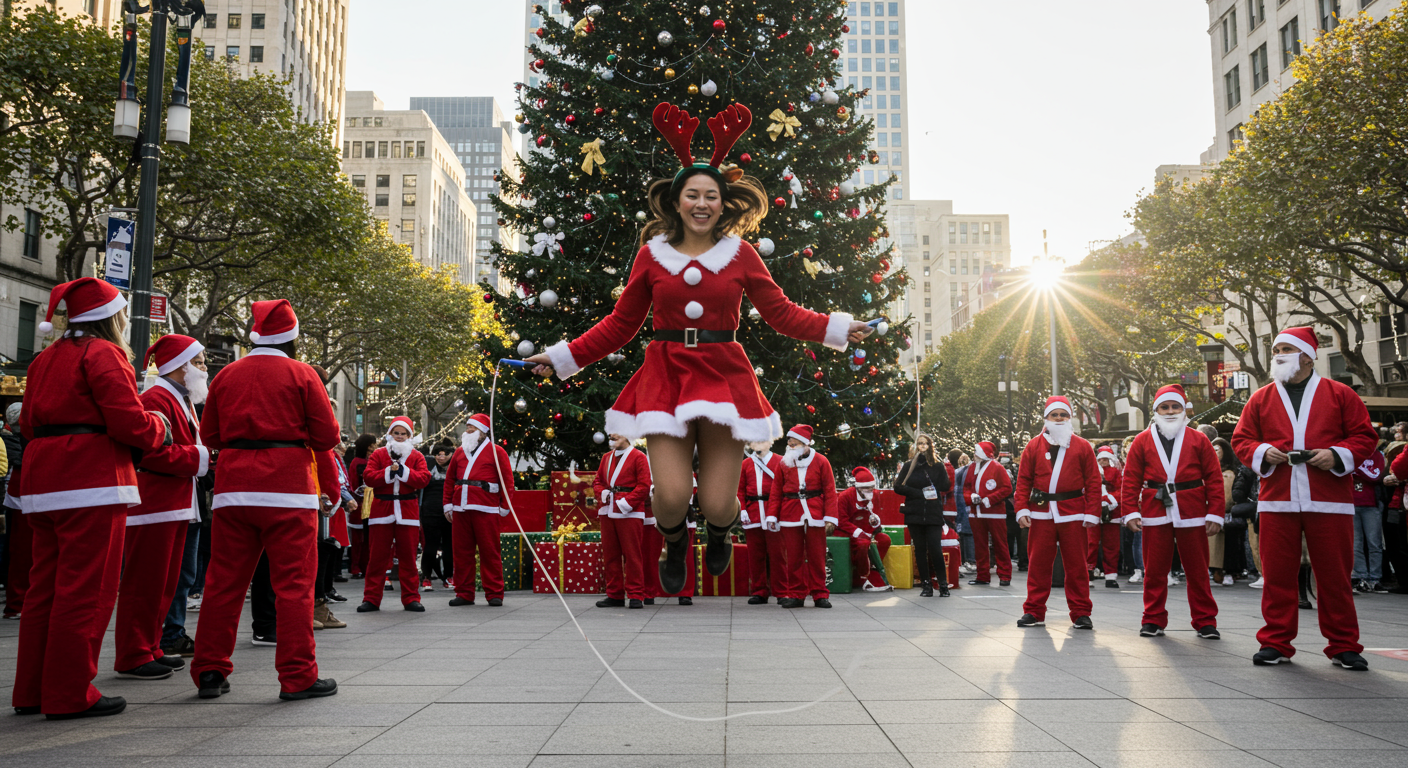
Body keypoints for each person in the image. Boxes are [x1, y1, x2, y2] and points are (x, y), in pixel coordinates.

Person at [523, 102, 872, 594]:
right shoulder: (651, 256)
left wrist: (837, 327)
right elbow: (621, 325)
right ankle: (673, 538)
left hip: (723, 376)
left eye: (711, 195)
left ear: (723, 202)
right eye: (693, 195)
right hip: (664, 375)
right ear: (677, 200)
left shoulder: (742, 254)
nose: (702, 203)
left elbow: (782, 312)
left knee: (715, 502)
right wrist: (559, 358)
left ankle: (717, 530)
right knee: (667, 497)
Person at [11, 278, 170, 719]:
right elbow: (129, 424)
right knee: (86, 590)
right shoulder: (103, 354)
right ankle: (68, 693)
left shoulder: (46, 358)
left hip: (43, 483)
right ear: (111, 317)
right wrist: (160, 426)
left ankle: (31, 691)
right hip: (91, 479)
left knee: (44, 588)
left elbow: (26, 423)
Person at [192, 298, 341, 700]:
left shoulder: (226, 375)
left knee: (222, 583)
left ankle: (209, 670)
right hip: (288, 488)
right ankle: (298, 676)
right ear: (292, 337)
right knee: (293, 585)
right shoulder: (303, 374)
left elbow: (210, 436)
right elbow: (327, 438)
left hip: (234, 488)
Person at [1231, 326, 1378, 670]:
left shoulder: (1340, 394)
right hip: (1277, 499)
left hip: (1329, 499)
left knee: (1334, 575)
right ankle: (1275, 642)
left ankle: (1344, 645)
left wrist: (1336, 454)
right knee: (1277, 574)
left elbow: (1363, 436)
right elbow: (1242, 440)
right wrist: (1264, 452)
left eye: (1286, 348)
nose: (1278, 354)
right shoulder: (1261, 397)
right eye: (1276, 349)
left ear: (1308, 356)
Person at [113, 335, 210, 680]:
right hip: (156, 502)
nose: (204, 368)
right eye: (198, 362)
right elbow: (151, 451)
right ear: (181, 367)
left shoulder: (178, 399)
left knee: (166, 582)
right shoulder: (157, 397)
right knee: (145, 582)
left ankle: (151, 647)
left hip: (174, 501)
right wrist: (202, 458)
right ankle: (133, 653)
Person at [1121, 384, 1223, 639]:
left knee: (1197, 569)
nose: (1169, 411)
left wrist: (1215, 513)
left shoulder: (1199, 439)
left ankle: (1205, 621)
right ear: (1155, 410)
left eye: (1174, 406)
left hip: (1192, 509)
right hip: (1155, 507)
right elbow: (1130, 479)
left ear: (1184, 409)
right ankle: (1152, 619)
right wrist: (1131, 512)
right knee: (1154, 569)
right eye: (1164, 407)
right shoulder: (1142, 441)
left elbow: (1214, 478)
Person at [1015, 396, 1102, 629]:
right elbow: (1023, 480)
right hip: (1041, 513)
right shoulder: (1033, 445)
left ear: (1070, 417)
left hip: (1073, 512)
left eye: (1064, 414)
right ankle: (1033, 611)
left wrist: (1092, 512)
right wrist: (1022, 507)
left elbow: (1094, 481)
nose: (1060, 418)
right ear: (1047, 418)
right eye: (1055, 415)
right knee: (1038, 564)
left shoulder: (1083, 446)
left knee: (1077, 565)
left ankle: (1081, 612)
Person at [358, 416, 431, 612]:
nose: (399, 437)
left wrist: (404, 472)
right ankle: (371, 598)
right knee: (377, 558)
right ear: (390, 434)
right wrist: (389, 473)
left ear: (409, 435)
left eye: (403, 433)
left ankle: (411, 598)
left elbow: (424, 478)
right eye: (396, 433)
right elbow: (368, 477)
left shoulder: (417, 457)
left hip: (407, 511)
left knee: (408, 557)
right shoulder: (379, 454)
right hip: (382, 511)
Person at [444, 413, 515, 607]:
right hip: (461, 508)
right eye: (467, 428)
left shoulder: (497, 451)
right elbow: (450, 479)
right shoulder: (459, 452)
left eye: (472, 428)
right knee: (461, 552)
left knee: (489, 551)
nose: (468, 431)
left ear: (483, 431)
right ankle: (464, 593)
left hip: (486, 508)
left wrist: (505, 506)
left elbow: (507, 481)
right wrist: (447, 504)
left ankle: (494, 593)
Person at [767, 426, 838, 608]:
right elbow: (776, 491)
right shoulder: (784, 463)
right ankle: (796, 594)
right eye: (789, 443)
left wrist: (830, 517)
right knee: (793, 555)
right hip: (790, 512)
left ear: (805, 444)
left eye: (795, 443)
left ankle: (820, 594)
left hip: (815, 512)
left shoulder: (822, 461)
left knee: (817, 555)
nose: (790, 446)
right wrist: (772, 516)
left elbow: (830, 491)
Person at [594, 433, 652, 608]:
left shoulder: (639, 457)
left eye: (616, 430)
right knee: (610, 554)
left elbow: (644, 486)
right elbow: (598, 481)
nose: (612, 435)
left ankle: (636, 594)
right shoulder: (606, 457)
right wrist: (602, 493)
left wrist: (626, 502)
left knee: (632, 555)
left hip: (629, 511)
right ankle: (615, 594)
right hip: (608, 509)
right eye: (611, 431)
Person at [894, 432, 953, 598]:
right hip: (915, 511)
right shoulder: (909, 466)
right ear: (916, 446)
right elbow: (898, 487)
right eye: (919, 443)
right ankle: (926, 584)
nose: (922, 447)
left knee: (935, 548)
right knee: (919, 549)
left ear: (930, 446)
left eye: (925, 444)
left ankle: (942, 584)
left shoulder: (937, 465)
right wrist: (919, 493)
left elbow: (945, 485)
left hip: (933, 512)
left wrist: (943, 469)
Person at [738, 440, 784, 604]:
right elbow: (740, 489)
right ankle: (759, 591)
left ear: (770, 442)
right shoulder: (745, 464)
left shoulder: (780, 461)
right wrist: (742, 509)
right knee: (755, 555)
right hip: (753, 514)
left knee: (778, 555)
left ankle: (782, 591)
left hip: (773, 513)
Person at [964, 441, 1013, 588]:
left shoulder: (997, 468)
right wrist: (970, 497)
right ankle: (982, 575)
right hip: (976, 513)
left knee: (1000, 544)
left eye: (976, 451)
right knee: (980, 545)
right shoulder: (972, 467)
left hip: (994, 513)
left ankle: (1005, 575)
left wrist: (989, 500)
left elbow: (1007, 488)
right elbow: (966, 487)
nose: (974, 454)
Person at [836, 466, 893, 592]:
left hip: (867, 531)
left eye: (871, 488)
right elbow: (841, 521)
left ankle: (872, 568)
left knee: (884, 539)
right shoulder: (845, 497)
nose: (869, 490)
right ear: (858, 487)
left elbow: (875, 521)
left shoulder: (875, 496)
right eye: (865, 488)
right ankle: (861, 576)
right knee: (863, 544)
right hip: (847, 531)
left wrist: (875, 523)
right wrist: (861, 534)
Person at [1350, 445, 1386, 593]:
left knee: (1374, 543)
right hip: (1351, 503)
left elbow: (1376, 476)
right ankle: (1360, 577)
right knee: (1356, 544)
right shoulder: (1351, 452)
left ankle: (1375, 579)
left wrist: (1357, 470)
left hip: (1372, 504)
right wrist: (1362, 472)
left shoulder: (1377, 455)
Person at [3, 402, 27, 621]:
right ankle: (17, 603)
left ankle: (17, 602)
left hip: (18, 494)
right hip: (23, 494)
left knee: (18, 551)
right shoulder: (19, 441)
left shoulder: (10, 439)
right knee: (22, 552)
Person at [420, 444, 454, 591]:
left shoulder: (456, 467)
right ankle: (426, 577)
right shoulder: (427, 464)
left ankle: (448, 576)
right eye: (438, 454)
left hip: (449, 511)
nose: (441, 457)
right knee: (430, 546)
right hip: (429, 511)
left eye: (445, 454)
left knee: (449, 546)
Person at [1089, 445, 1123, 589]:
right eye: (1101, 459)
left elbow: (1121, 489)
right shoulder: (1092, 472)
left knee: (1112, 545)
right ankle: (1088, 572)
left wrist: (1110, 499)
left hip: (1112, 512)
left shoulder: (1116, 473)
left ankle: (1111, 575)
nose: (1103, 461)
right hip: (1094, 511)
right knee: (1090, 544)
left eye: (1105, 459)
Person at [346, 433, 377, 579]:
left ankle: (365, 565)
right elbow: (353, 484)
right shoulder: (357, 462)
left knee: (368, 538)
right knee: (358, 539)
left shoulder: (372, 460)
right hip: (360, 503)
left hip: (372, 503)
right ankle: (356, 567)